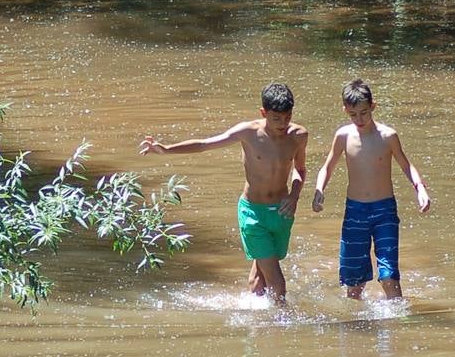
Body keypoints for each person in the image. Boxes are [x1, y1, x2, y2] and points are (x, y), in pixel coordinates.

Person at [140, 82, 308, 303]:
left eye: (287, 117)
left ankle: (256, 323)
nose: (283, 123)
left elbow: (300, 169)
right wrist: (167, 150)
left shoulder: (298, 135)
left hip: (281, 212)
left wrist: (294, 195)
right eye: (276, 118)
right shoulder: (247, 133)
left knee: (261, 275)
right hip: (253, 214)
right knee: (278, 283)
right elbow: (204, 144)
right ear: (263, 113)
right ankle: (281, 328)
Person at [312, 79, 430, 300]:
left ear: (373, 107)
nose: (359, 119)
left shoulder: (388, 136)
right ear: (345, 110)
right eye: (353, 114)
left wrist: (420, 188)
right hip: (355, 211)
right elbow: (327, 167)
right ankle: (356, 326)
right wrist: (319, 189)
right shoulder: (343, 136)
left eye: (364, 113)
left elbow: (406, 165)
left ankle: (399, 323)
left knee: (389, 275)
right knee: (354, 280)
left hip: (384, 210)